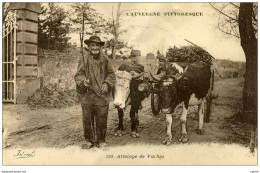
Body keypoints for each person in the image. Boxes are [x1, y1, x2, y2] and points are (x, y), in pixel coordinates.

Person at [74, 36, 115, 149]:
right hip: (87, 94)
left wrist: (106, 84)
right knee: (87, 119)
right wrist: (83, 81)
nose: (95, 47)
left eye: (97, 45)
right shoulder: (84, 59)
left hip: (102, 95)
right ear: (89, 46)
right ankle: (89, 140)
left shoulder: (105, 60)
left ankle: (101, 140)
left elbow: (111, 75)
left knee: (102, 118)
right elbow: (78, 75)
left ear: (100, 47)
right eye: (92, 45)